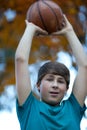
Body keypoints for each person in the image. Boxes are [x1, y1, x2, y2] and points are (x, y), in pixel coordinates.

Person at [15, 15, 87, 130]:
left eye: (60, 81)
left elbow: (84, 67)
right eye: (49, 79)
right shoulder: (29, 107)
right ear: (38, 85)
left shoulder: (73, 108)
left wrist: (69, 32)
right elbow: (20, 60)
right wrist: (30, 29)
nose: (55, 85)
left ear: (67, 88)